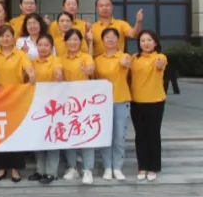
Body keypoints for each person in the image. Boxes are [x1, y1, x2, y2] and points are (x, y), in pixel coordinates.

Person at [0, 25, 35, 182]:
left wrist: (31, 74)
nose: (5, 39)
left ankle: (16, 168)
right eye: (2, 36)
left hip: (16, 99)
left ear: (13, 37)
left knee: (16, 133)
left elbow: (28, 68)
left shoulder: (21, 54)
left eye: (8, 35)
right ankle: (0, 168)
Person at [59, 29, 96, 185]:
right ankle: (72, 167)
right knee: (69, 134)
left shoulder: (86, 57)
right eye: (70, 39)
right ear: (65, 42)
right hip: (66, 103)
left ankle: (87, 169)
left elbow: (91, 69)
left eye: (76, 39)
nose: (73, 42)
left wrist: (87, 71)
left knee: (86, 134)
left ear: (81, 42)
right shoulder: (60, 58)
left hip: (84, 102)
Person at [94, 28, 132, 182]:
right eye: (107, 37)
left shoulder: (124, 56)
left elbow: (127, 63)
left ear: (118, 40)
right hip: (103, 103)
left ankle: (117, 167)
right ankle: (107, 167)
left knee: (119, 136)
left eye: (113, 37)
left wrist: (125, 62)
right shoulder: (98, 59)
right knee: (106, 136)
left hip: (120, 100)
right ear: (102, 40)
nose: (110, 40)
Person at [130, 30, 167, 182]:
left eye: (149, 40)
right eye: (143, 40)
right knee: (140, 135)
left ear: (155, 42)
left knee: (153, 134)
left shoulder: (160, 57)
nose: (146, 43)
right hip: (136, 101)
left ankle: (153, 167)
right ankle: (142, 166)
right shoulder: (134, 58)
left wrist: (159, 65)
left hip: (155, 101)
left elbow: (161, 65)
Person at [29, 34, 63, 185]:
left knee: (52, 138)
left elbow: (58, 75)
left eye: (46, 45)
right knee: (39, 138)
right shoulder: (33, 62)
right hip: (36, 105)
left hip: (52, 106)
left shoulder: (56, 61)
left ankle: (51, 172)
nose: (43, 48)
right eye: (40, 45)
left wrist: (59, 76)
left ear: (52, 47)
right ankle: (40, 170)